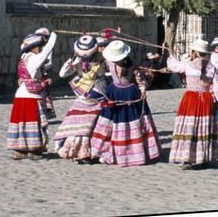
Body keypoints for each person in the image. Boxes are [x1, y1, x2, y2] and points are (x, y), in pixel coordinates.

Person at [90, 40, 161, 166]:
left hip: (130, 94)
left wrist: (143, 90)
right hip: (114, 93)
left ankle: (132, 153)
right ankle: (103, 150)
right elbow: (97, 72)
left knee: (131, 123)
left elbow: (140, 79)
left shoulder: (132, 65)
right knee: (109, 122)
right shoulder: (108, 63)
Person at [53, 35, 108, 163]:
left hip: (98, 92)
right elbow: (62, 74)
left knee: (95, 122)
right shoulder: (77, 61)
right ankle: (80, 150)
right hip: (84, 93)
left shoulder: (102, 59)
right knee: (80, 121)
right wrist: (68, 65)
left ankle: (92, 150)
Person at [166, 40, 218, 169]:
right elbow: (217, 87)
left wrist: (170, 52)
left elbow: (173, 66)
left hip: (191, 99)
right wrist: (217, 100)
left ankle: (187, 157)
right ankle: (204, 156)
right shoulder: (212, 67)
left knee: (189, 127)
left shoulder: (188, 65)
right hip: (206, 99)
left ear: (195, 52)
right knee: (203, 127)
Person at [6, 31, 58, 160]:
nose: (40, 49)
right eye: (39, 46)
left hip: (20, 96)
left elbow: (46, 61)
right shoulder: (34, 59)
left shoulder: (24, 58)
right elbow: (47, 52)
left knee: (21, 122)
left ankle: (20, 149)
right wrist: (53, 37)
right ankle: (34, 150)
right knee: (34, 122)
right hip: (31, 97)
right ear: (33, 47)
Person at [34, 27, 57, 119]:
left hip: (43, 76)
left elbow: (50, 64)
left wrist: (48, 73)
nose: (44, 39)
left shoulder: (47, 50)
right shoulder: (33, 49)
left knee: (44, 96)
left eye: (46, 37)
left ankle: (43, 115)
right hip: (34, 77)